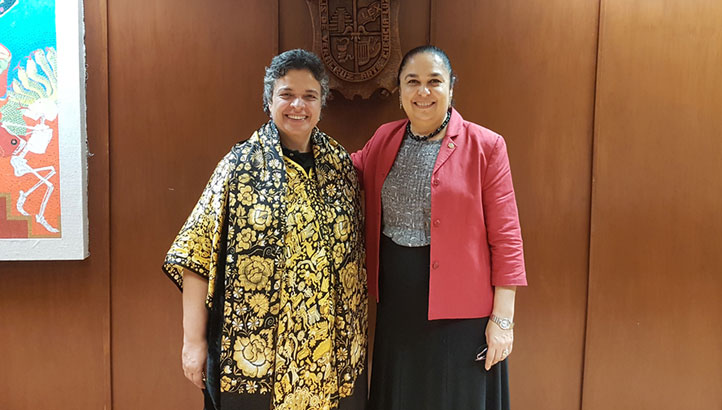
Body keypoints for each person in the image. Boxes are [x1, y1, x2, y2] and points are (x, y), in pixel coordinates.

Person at [163, 49, 367, 410]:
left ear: (321, 103)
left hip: (330, 354)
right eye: (286, 94)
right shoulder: (239, 166)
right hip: (255, 355)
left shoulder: (340, 167)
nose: (298, 106)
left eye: (309, 96)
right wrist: (192, 342)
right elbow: (194, 256)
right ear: (269, 101)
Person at [352, 45, 528, 410]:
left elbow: (507, 238)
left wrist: (503, 321)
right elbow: (342, 172)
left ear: (451, 87)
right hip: (398, 305)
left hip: (462, 313)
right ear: (400, 90)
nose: (423, 91)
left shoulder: (486, 146)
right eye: (412, 82)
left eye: (434, 81)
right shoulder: (384, 138)